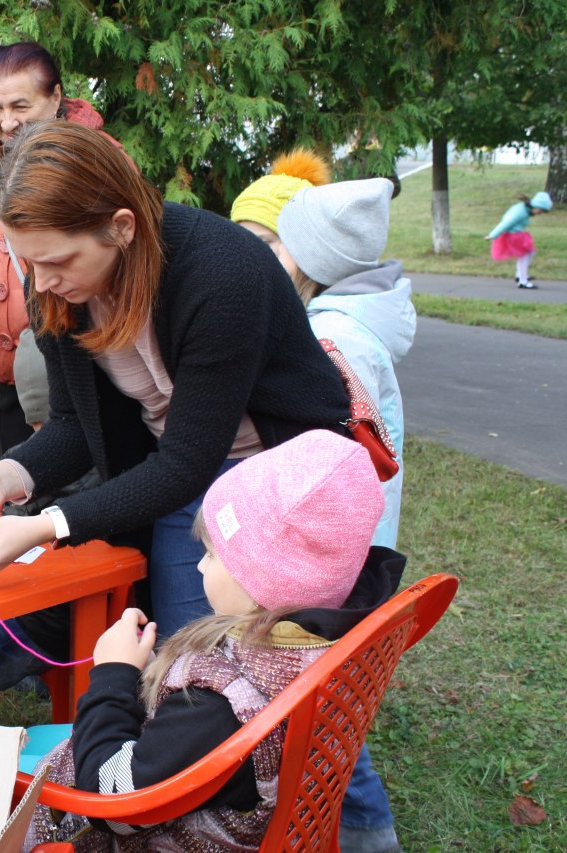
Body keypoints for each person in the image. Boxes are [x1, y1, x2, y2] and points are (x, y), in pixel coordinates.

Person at [0, 121, 350, 726]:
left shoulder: (224, 273)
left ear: (121, 228)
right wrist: (6, 479)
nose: (41, 285)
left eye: (58, 261)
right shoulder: (55, 282)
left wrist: (46, 525)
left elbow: (188, 463)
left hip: (275, 475)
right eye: (28, 263)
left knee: (260, 662)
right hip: (177, 462)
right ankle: (194, 785)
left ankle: (332, 797)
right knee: (184, 659)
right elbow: (74, 424)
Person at [24, 430, 404, 850]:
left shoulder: (217, 705)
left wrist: (113, 675)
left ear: (261, 579)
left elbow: (112, 805)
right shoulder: (333, 640)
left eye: (211, 552)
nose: (201, 567)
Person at [233, 157, 412, 853]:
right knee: (325, 697)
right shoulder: (351, 324)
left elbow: (321, 464)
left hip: (330, 550)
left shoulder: (330, 340)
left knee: (320, 701)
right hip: (351, 540)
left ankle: (369, 834)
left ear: (307, 259)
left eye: (274, 244)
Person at [0, 42, 118, 456]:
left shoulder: (99, 160)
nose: (6, 122)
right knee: (20, 483)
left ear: (56, 97)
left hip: (85, 363)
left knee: (88, 490)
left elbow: (126, 259)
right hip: (6, 369)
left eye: (21, 106)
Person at [486, 191, 553, 289]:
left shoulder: (525, 209)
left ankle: (520, 276)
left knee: (530, 253)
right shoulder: (520, 212)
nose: (540, 213)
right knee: (524, 255)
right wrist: (493, 235)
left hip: (516, 234)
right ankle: (522, 281)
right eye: (541, 210)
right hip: (513, 235)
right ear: (536, 205)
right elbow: (506, 223)